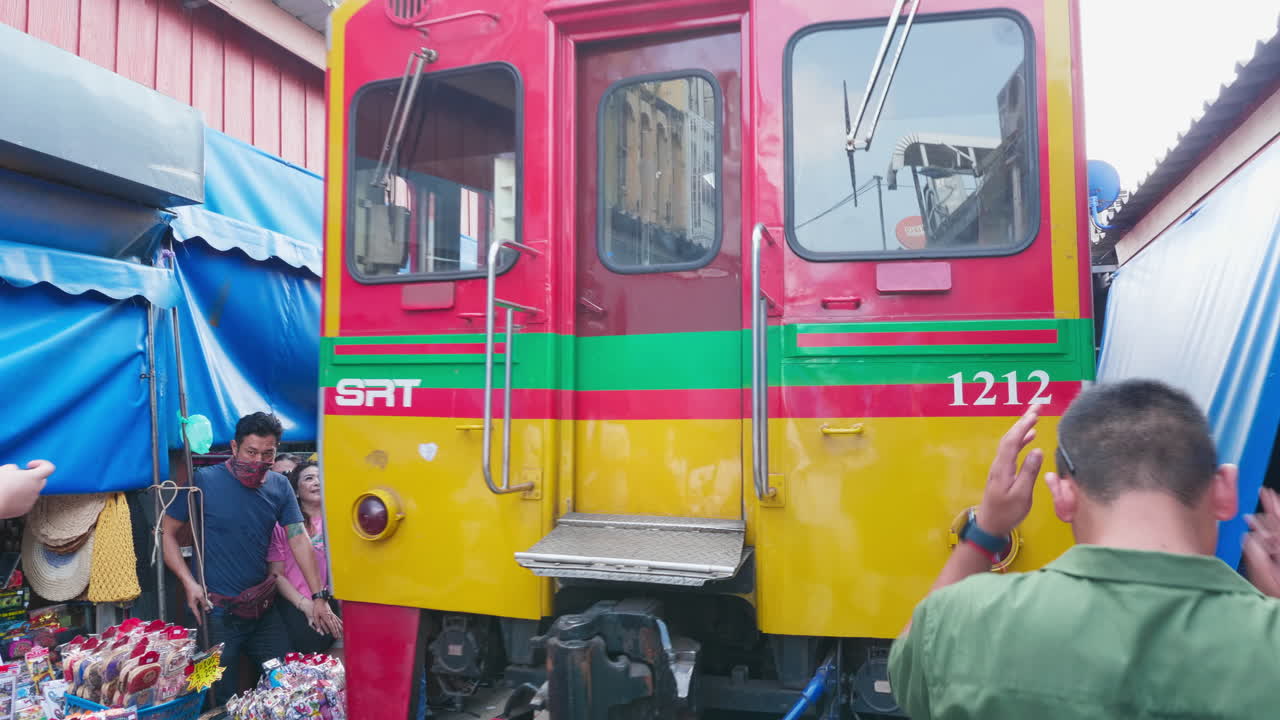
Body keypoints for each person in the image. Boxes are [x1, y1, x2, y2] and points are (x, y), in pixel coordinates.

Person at [889, 379, 1280, 718]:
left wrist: (987, 531)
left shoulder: (961, 621)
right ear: (1226, 491)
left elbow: (908, 668)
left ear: (1062, 498)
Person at [161, 413, 341, 701]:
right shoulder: (203, 482)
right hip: (213, 612)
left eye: (267, 454)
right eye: (251, 452)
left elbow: (298, 537)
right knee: (209, 691)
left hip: (263, 609)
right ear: (234, 447)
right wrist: (188, 582)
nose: (258, 461)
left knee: (285, 684)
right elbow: (165, 533)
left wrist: (319, 595)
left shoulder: (279, 486)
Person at [267, 461, 342, 654]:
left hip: (333, 603)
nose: (317, 482)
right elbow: (276, 575)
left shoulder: (340, 520)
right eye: (309, 478)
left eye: (320, 477)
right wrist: (305, 604)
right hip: (296, 603)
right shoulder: (283, 525)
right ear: (296, 492)